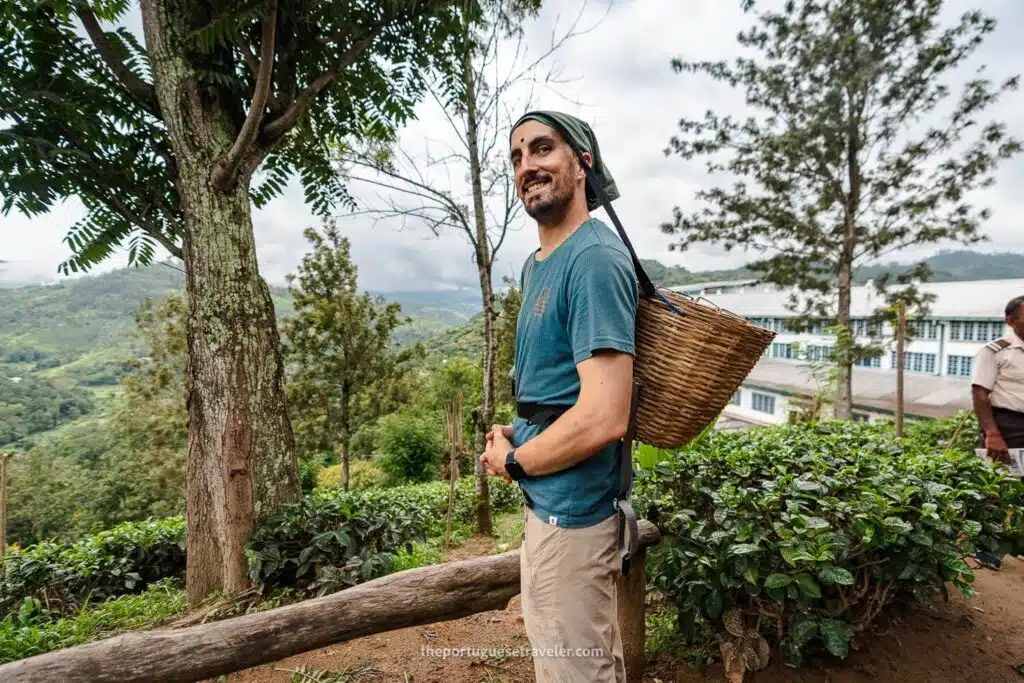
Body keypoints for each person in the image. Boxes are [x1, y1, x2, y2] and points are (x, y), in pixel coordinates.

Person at [478, 111, 637, 682]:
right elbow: (559, 392)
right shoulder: (540, 261)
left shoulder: (593, 259)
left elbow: (602, 415)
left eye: (542, 149)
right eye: (518, 157)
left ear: (582, 164)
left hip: (572, 517)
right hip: (548, 506)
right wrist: (516, 432)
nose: (527, 166)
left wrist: (514, 461)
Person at [970, 294, 1024, 569]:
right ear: (1010, 320)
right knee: (999, 489)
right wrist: (992, 433)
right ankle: (987, 550)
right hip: (1007, 426)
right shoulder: (995, 351)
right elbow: (980, 393)